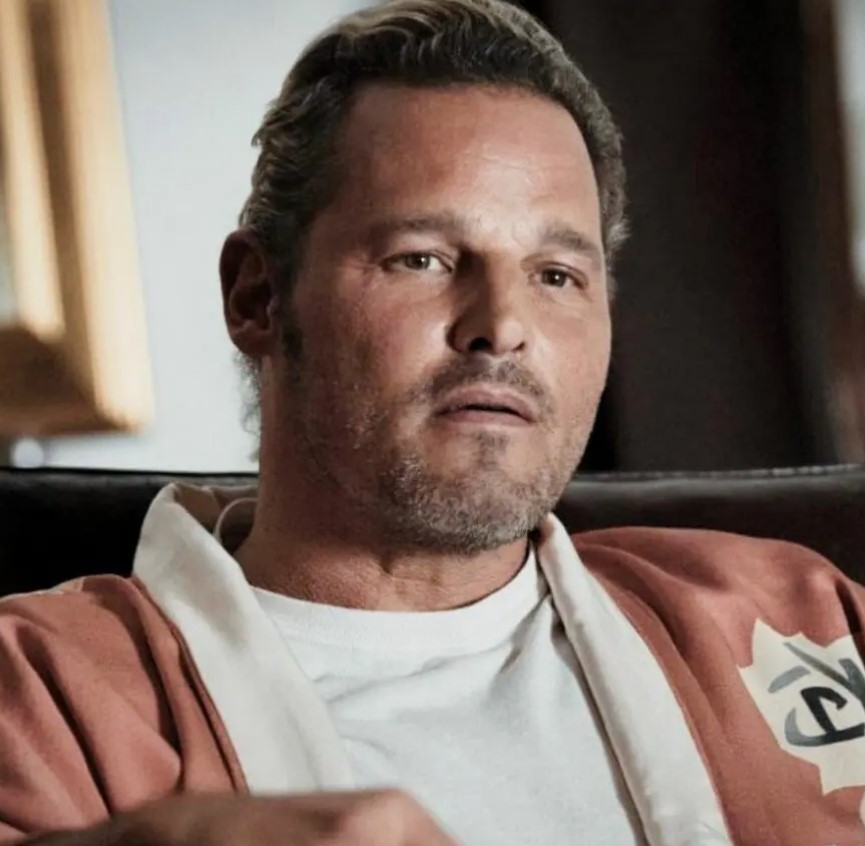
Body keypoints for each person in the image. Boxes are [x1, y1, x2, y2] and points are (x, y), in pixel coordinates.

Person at [2, 1, 865, 844]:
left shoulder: (799, 613)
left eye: (556, 275)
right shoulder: (40, 692)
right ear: (257, 297)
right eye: (422, 259)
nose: (502, 325)